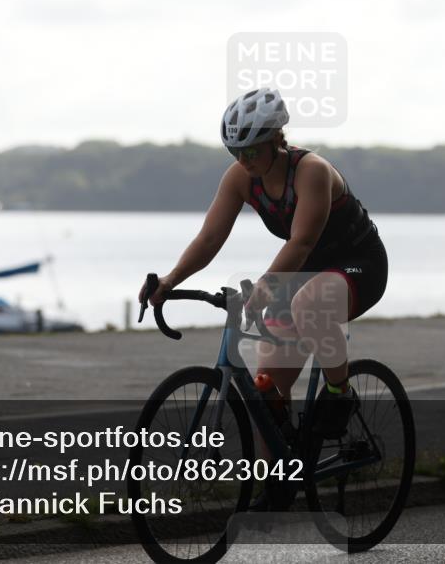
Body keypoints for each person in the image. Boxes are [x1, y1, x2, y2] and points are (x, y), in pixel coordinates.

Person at [138, 87, 388, 441]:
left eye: (251, 150)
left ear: (276, 139)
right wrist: (170, 280)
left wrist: (267, 285)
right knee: (266, 398)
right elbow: (209, 239)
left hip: (359, 264)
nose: (243, 160)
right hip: (302, 272)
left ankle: (339, 393)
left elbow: (301, 242)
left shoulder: (311, 171)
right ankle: (280, 472)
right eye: (235, 151)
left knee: (309, 305)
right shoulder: (240, 178)